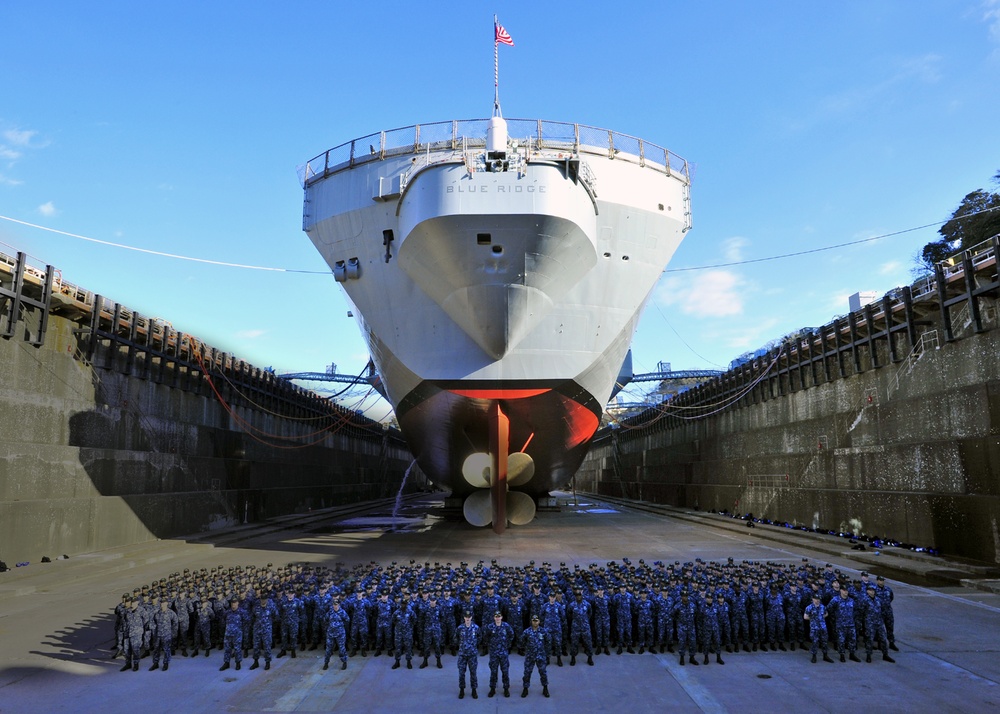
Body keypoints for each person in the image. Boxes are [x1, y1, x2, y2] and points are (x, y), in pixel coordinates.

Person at [483, 611, 514, 697]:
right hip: (494, 653)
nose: (497, 618)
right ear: (494, 618)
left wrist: (507, 644)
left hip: (503, 653)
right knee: (493, 672)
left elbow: (511, 634)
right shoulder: (490, 627)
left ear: (501, 617)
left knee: (505, 672)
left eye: (499, 616)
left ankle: (506, 689)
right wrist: (490, 645)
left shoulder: (506, 626)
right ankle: (492, 689)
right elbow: (486, 636)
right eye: (496, 616)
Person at [521, 614, 550, 698]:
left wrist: (547, 654)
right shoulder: (527, 631)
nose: (535, 623)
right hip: (530, 656)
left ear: (539, 621)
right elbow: (522, 641)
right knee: (527, 673)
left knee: (543, 673)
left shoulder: (543, 631)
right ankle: (525, 688)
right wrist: (526, 650)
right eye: (533, 621)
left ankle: (545, 688)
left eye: (536, 621)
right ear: (531, 621)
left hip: (541, 656)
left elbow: (548, 642)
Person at [250, 593, 278, 670]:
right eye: (262, 599)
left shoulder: (271, 606)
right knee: (256, 646)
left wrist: (269, 624)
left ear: (267, 599)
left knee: (267, 646)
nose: (263, 601)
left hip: (267, 629)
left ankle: (267, 662)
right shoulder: (256, 607)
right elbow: (252, 617)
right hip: (257, 629)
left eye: (265, 599)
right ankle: (256, 662)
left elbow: (276, 616)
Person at [456, 611, 480, 699]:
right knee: (461, 673)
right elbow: (456, 638)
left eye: (469, 617)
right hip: (462, 654)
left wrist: (473, 646)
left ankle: (474, 690)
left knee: (473, 673)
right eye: (466, 617)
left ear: (471, 618)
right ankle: (462, 690)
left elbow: (479, 637)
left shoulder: (476, 628)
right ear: (464, 618)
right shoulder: (460, 628)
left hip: (472, 655)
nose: (467, 618)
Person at [803, 593, 833, 663]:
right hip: (814, 628)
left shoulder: (822, 607)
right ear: (813, 599)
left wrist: (821, 618)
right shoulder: (809, 607)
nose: (817, 601)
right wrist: (814, 619)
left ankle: (825, 655)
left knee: (824, 642)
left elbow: (826, 614)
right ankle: (814, 656)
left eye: (818, 599)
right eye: (816, 599)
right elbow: (805, 617)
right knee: (815, 642)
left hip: (823, 627)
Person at [150, 600, 179, 671]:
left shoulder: (171, 613)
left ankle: (166, 663)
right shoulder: (157, 613)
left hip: (167, 635)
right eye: (161, 603)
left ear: (167, 603)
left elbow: (175, 622)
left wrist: (173, 632)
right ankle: (155, 663)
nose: (162, 604)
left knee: (166, 650)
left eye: (163, 603)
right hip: (158, 635)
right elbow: (153, 622)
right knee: (156, 650)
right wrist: (154, 631)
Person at [323, 598, 350, 670]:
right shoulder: (330, 612)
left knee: (341, 649)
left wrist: (340, 626)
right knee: (328, 649)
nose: (336, 606)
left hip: (340, 634)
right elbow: (325, 620)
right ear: (332, 605)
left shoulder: (342, 612)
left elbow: (347, 620)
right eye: (334, 605)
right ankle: (326, 663)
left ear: (339, 605)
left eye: (337, 605)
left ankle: (344, 662)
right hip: (330, 634)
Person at [220, 598, 246, 671]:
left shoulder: (242, 612)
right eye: (232, 603)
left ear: (238, 603)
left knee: (237, 649)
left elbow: (246, 621)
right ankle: (226, 663)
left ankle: (238, 663)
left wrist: (240, 630)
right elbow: (223, 620)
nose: (233, 605)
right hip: (228, 634)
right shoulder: (227, 612)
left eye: (235, 603)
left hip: (237, 634)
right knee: (227, 649)